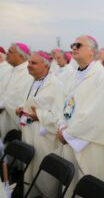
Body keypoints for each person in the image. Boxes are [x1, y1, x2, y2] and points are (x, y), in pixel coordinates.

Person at [56, 35, 104, 196]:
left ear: (91, 51)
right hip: (70, 137)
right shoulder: (72, 75)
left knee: (88, 185)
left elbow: (97, 114)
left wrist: (68, 133)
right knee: (71, 184)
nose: (73, 47)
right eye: (72, 44)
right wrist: (61, 125)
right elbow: (64, 105)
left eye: (78, 45)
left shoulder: (101, 77)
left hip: (90, 143)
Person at [16, 51, 64, 197]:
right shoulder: (31, 82)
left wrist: (39, 115)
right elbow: (29, 103)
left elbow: (59, 116)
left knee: (44, 179)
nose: (29, 66)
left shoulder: (56, 85)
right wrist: (21, 109)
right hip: (29, 133)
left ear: (46, 66)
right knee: (29, 174)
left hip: (45, 139)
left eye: (34, 63)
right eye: (29, 62)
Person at [0, 43, 33, 139]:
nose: (7, 54)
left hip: (12, 121)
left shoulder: (27, 72)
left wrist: (3, 103)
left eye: (10, 51)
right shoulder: (9, 70)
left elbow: (18, 98)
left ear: (20, 55)